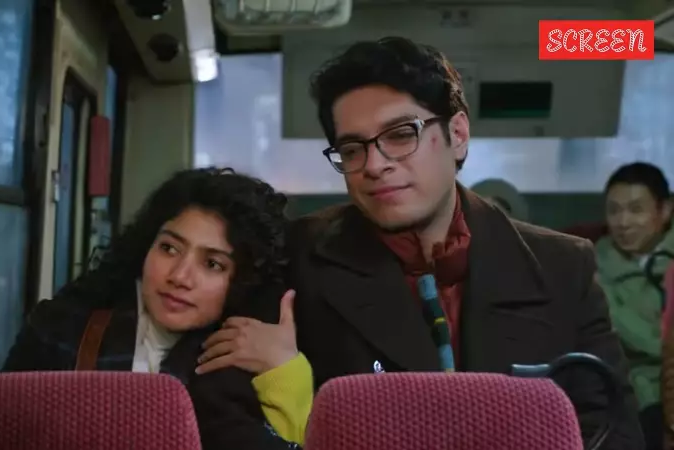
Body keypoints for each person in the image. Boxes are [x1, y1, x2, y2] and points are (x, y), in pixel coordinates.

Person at [194, 37, 645, 449]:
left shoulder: (561, 265)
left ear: (458, 135)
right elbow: (223, 417)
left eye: (400, 135)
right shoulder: (296, 257)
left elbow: (614, 430)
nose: (374, 165)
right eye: (352, 149)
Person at [2, 167, 310, 448]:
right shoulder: (60, 328)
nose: (179, 277)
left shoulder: (257, 357)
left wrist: (284, 369)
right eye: (169, 248)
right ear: (146, 247)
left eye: (212, 264)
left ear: (243, 280)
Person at [596, 162, 673, 450]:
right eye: (614, 210)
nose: (623, 222)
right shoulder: (591, 263)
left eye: (636, 209)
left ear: (664, 211)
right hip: (633, 395)